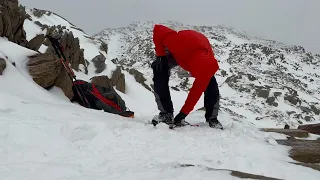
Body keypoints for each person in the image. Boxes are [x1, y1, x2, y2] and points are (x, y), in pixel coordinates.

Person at [151, 24, 223, 129]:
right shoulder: (176, 43)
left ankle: (212, 118)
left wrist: (183, 113)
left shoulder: (208, 63)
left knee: (211, 85)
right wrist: (160, 55)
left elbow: (196, 91)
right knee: (159, 69)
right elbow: (158, 29)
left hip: (195, 55)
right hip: (178, 52)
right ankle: (166, 114)